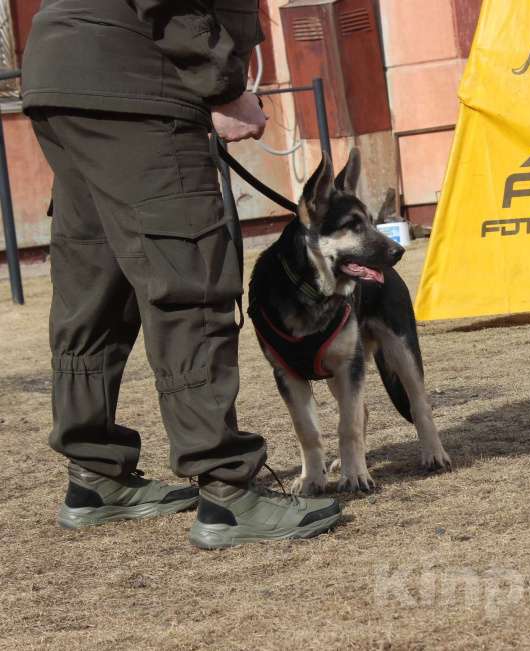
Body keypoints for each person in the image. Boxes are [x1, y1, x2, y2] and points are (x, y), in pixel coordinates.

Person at [21, 0, 342, 549]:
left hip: (62, 71)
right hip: (137, 78)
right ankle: (227, 492)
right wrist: (222, 85)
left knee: (98, 280)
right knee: (188, 281)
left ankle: (96, 476)